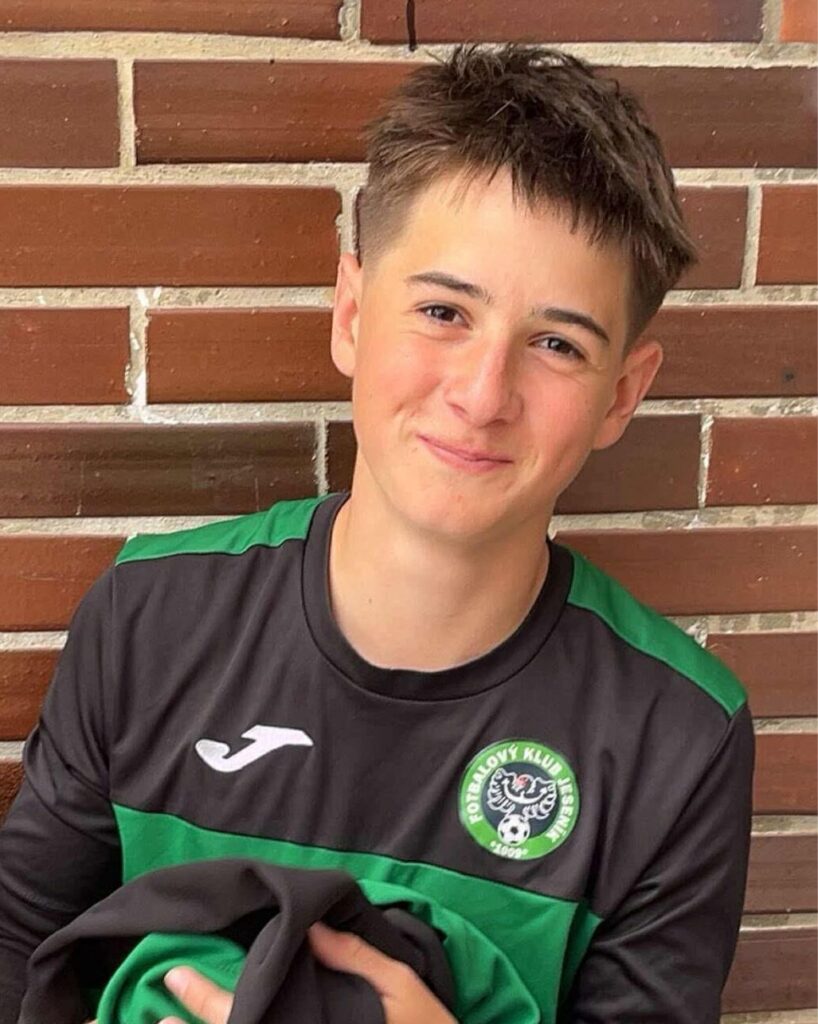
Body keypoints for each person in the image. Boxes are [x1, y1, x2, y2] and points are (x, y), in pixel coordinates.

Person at [0, 43, 754, 1024]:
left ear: (621, 394)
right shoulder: (150, 617)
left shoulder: (676, 737)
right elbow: (18, 957)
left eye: (555, 343)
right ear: (352, 314)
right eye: (443, 311)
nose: (481, 394)